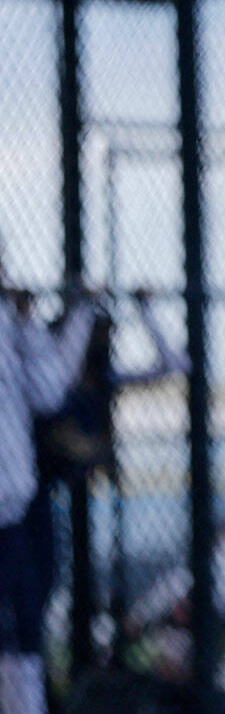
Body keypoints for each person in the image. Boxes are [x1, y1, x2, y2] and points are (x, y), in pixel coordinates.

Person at [0, 274, 95, 714]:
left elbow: (48, 393)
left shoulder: (8, 319)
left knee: (23, 642)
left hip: (11, 514)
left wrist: (25, 322)